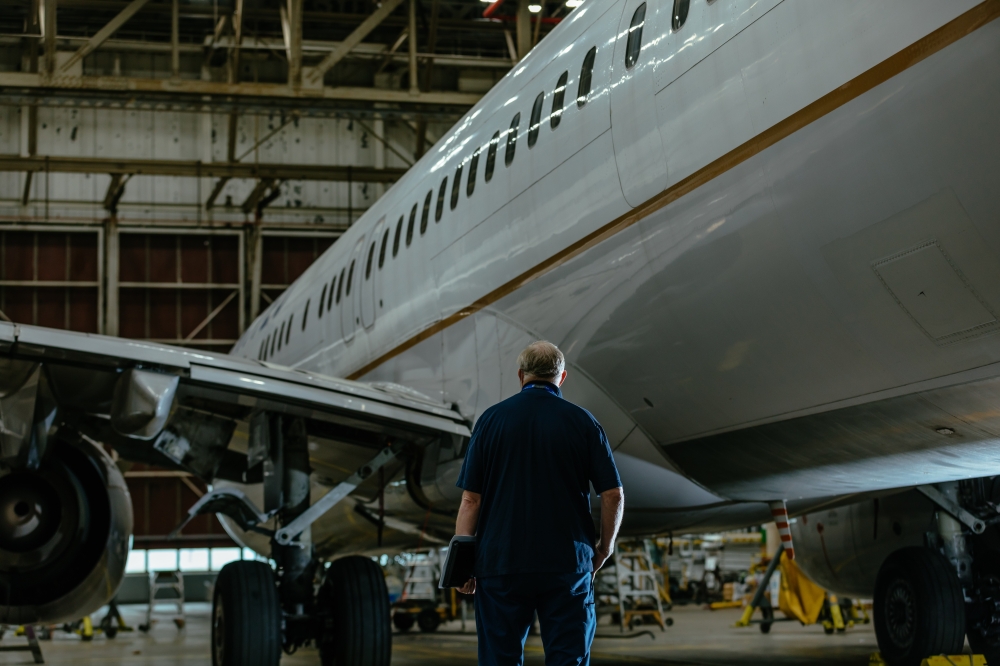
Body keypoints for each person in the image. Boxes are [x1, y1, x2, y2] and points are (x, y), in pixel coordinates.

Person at [455, 340, 625, 666]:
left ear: (521, 375)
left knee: (499, 659)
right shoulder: (583, 422)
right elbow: (613, 494)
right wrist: (604, 547)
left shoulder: (490, 420)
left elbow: (470, 500)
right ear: (562, 378)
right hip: (567, 563)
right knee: (568, 659)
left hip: (501, 563)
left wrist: (464, 562)